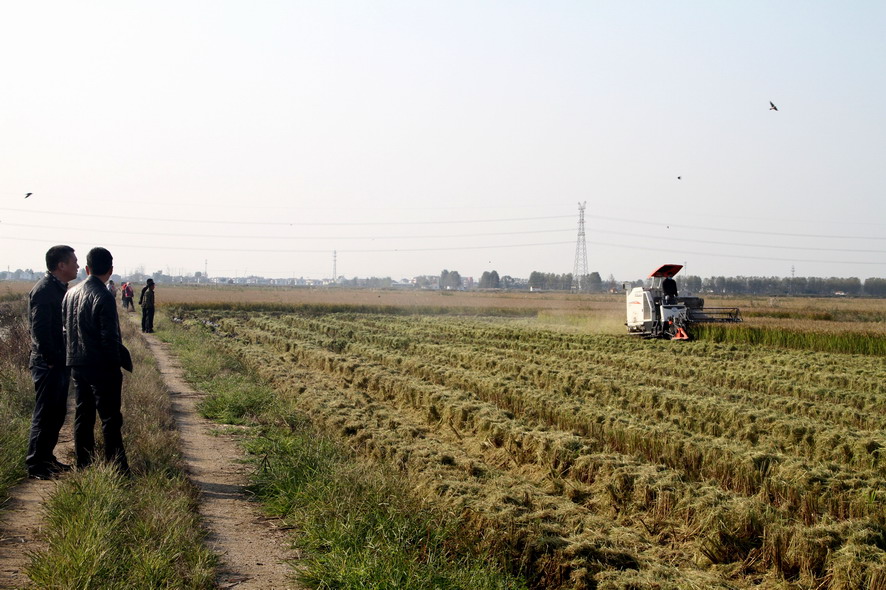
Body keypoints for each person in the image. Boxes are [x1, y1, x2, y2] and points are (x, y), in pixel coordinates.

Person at [63, 247, 132, 474]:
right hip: (101, 365)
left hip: (76, 363)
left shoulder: (70, 293)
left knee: (83, 415)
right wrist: (115, 367)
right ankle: (116, 467)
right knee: (110, 418)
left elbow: (66, 330)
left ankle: (84, 463)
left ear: (86, 268)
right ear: (111, 270)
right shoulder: (103, 296)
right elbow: (109, 338)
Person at [26, 245, 79, 480]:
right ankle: (36, 464)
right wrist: (49, 359)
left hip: (57, 361)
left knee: (56, 413)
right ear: (61, 265)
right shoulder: (45, 290)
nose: (77, 266)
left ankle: (47, 458)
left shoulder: (58, 288)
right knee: (45, 414)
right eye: (74, 261)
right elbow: (39, 330)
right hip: (47, 363)